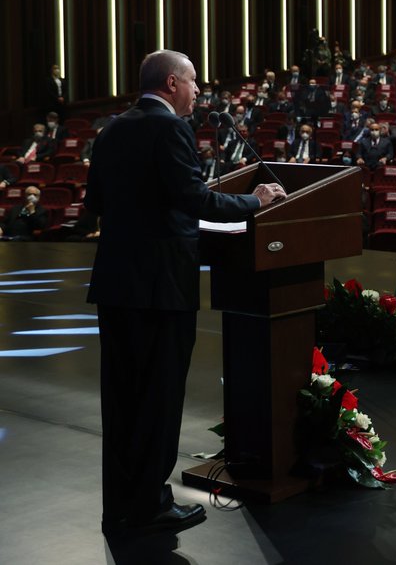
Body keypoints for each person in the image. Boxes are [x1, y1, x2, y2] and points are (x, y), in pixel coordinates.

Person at [85, 50, 286, 537]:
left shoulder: (111, 129)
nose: (199, 90)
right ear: (172, 82)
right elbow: (195, 199)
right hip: (160, 288)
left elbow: (96, 203)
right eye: (194, 81)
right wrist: (253, 200)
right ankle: (152, 506)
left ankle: (121, 506)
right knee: (158, 396)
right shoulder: (169, 128)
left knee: (123, 400)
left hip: (115, 286)